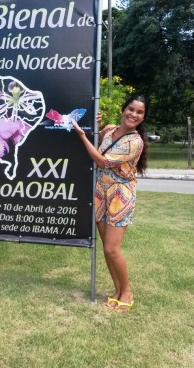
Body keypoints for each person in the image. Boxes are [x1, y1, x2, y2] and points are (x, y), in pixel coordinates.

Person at [71, 94, 148, 311]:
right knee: (106, 248)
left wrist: (82, 135)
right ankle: (117, 290)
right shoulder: (110, 129)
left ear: (143, 117)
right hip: (100, 193)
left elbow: (102, 161)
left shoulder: (135, 141)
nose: (134, 114)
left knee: (113, 248)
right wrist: (96, 126)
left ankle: (128, 291)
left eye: (139, 112)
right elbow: (101, 145)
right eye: (131, 109)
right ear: (124, 109)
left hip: (119, 196)